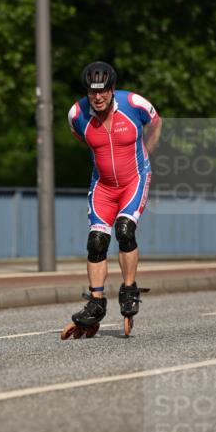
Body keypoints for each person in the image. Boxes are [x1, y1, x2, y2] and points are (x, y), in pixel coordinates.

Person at [67, 60, 162, 329]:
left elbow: (156, 123)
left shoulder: (134, 103)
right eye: (92, 92)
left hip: (134, 179)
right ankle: (96, 303)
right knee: (96, 241)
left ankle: (129, 289)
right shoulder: (76, 114)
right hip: (103, 186)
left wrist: (147, 155)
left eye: (103, 91)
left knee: (124, 230)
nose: (98, 97)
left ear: (112, 89)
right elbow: (81, 137)